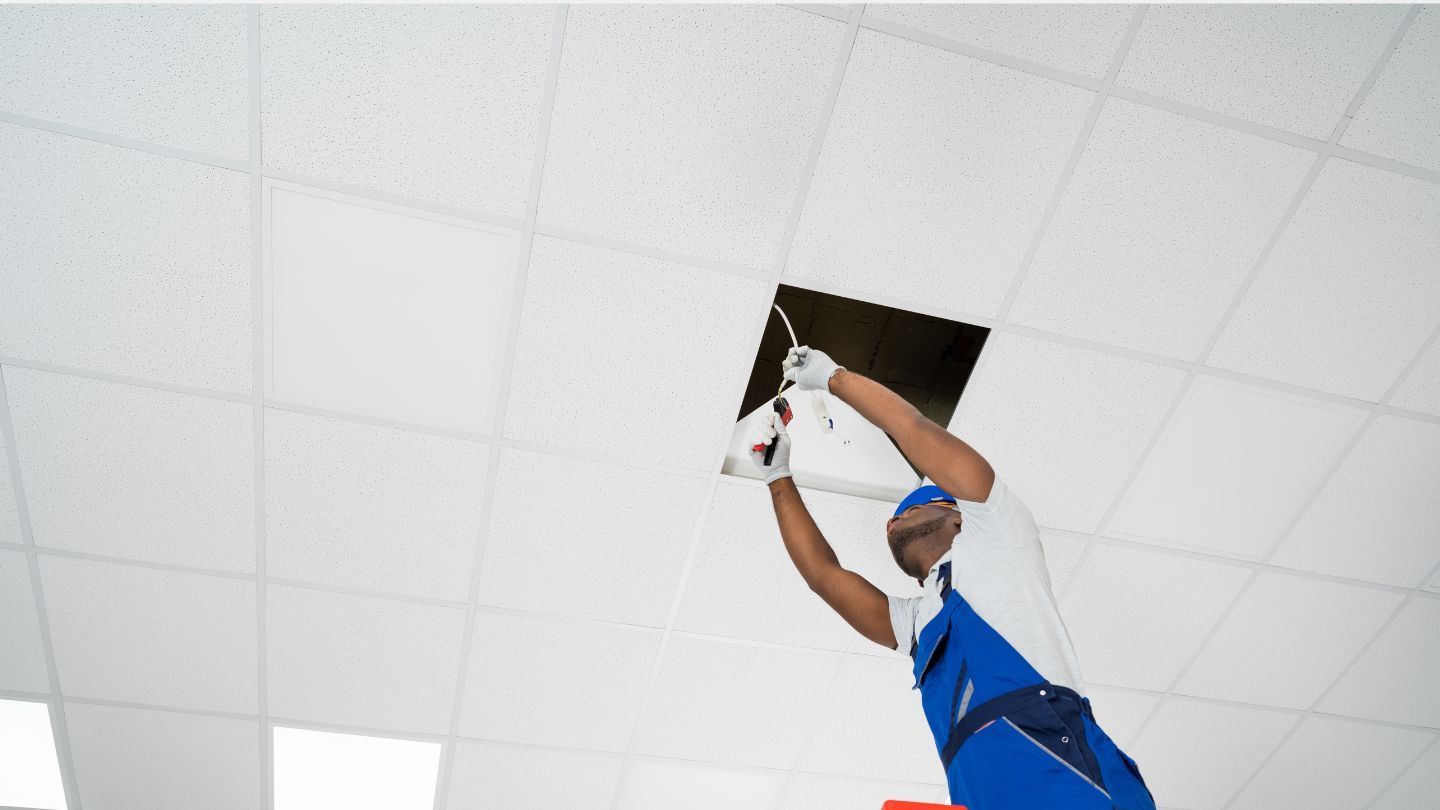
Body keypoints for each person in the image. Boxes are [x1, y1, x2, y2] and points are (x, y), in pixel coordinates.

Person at [749, 345, 1155, 810]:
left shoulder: (998, 534)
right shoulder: (918, 622)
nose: (892, 521)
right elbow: (824, 575)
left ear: (958, 515)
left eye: (911, 508)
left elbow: (912, 429)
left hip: (1064, 773)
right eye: (894, 519)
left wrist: (832, 378)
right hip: (980, 793)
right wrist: (777, 477)